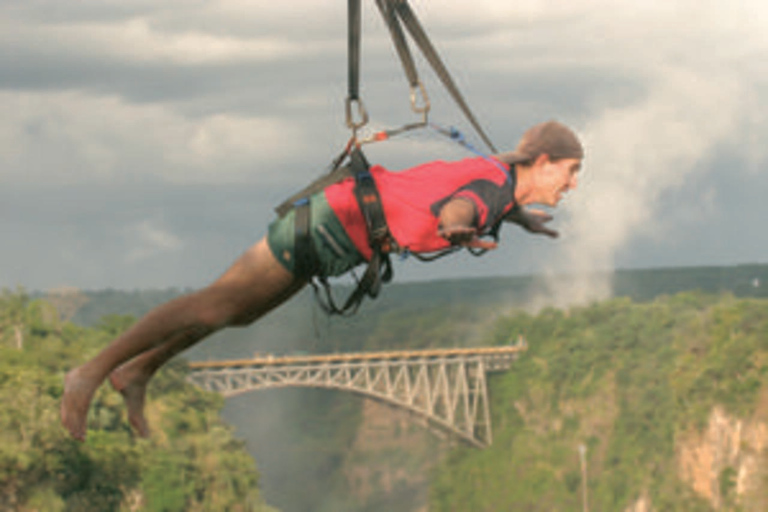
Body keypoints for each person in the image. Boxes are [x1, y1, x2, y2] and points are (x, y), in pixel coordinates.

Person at [61, 120, 584, 441]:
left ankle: (138, 371)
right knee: (215, 305)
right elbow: (460, 206)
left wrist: (522, 220)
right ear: (541, 162)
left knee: (237, 313)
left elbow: (486, 197)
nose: (572, 183)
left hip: (338, 234)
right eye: (570, 171)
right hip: (332, 225)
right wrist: (458, 228)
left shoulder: (499, 183)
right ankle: (91, 371)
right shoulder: (490, 192)